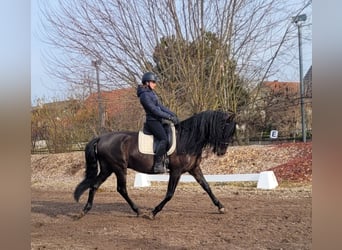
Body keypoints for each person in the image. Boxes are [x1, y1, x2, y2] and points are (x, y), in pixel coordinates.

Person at [137, 72, 179, 173]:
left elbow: (160, 107)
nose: (155, 84)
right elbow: (154, 110)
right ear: (147, 82)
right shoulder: (144, 96)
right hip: (152, 121)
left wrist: (172, 114)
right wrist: (168, 117)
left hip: (158, 120)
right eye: (153, 82)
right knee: (164, 139)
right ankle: (158, 164)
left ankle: (167, 161)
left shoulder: (151, 93)